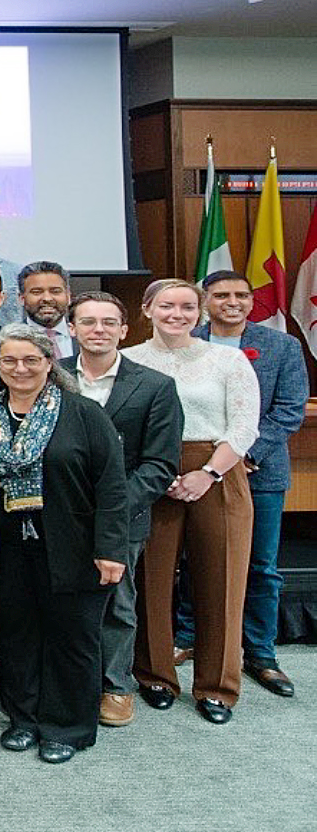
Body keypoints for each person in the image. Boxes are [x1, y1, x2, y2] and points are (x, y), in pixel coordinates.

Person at [0, 325, 128, 764]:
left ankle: (67, 727)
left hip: (73, 546)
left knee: (71, 638)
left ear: (49, 363)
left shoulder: (84, 413)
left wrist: (111, 549)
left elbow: (112, 486)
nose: (20, 369)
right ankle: (23, 719)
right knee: (17, 636)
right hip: (6, 546)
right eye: (9, 360)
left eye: (31, 360)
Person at [122, 278, 259, 725]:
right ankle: (155, 675)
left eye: (186, 307)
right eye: (166, 306)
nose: (176, 314)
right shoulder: (128, 360)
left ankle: (217, 687)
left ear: (199, 314)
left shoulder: (227, 359)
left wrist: (209, 473)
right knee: (151, 579)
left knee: (222, 579)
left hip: (217, 471)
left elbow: (244, 426)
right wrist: (155, 473)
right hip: (151, 474)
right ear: (147, 309)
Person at [59, 292, 182, 728]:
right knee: (60, 601)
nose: (98, 330)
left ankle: (115, 686)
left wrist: (109, 509)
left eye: (108, 322)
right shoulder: (52, 376)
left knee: (117, 604)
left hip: (122, 517)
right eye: (88, 321)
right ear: (71, 328)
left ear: (125, 330)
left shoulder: (155, 386)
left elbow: (160, 464)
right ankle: (70, 683)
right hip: (60, 514)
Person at [185, 270, 307, 698]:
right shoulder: (186, 342)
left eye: (241, 295)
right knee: (195, 558)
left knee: (260, 565)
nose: (232, 302)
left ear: (252, 301)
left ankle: (260, 652)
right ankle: (189, 637)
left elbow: (289, 409)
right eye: (221, 295)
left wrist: (242, 455)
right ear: (205, 300)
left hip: (260, 471)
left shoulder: (282, 346)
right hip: (195, 471)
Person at [18, 262, 75, 359]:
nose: (47, 298)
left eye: (55, 291)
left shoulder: (84, 336)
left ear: (68, 296)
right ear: (21, 298)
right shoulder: (9, 339)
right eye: (37, 292)